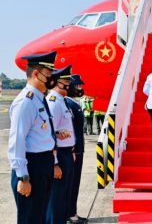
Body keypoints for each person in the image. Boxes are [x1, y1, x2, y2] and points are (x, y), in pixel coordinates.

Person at [7, 51, 58, 224]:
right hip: (32, 167)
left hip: (43, 163)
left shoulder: (39, 99)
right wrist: (23, 177)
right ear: (36, 74)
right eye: (49, 74)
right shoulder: (26, 102)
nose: (52, 78)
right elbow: (17, 141)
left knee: (40, 216)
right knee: (31, 219)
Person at [46, 65, 76, 224]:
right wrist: (55, 162)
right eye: (66, 81)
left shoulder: (61, 101)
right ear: (57, 82)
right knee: (56, 197)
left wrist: (70, 150)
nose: (69, 84)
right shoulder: (53, 102)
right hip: (58, 155)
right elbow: (50, 135)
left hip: (66, 153)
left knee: (64, 195)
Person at [66, 75, 87, 224]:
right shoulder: (68, 104)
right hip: (74, 150)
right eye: (77, 86)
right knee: (71, 184)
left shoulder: (74, 103)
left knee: (74, 183)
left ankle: (72, 211)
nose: (80, 89)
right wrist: (73, 150)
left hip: (78, 149)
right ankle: (70, 214)